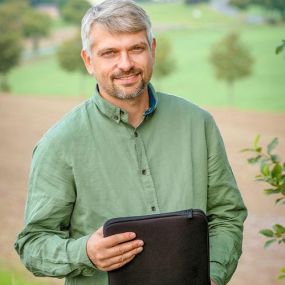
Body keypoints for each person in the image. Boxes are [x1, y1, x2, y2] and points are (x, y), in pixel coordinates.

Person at [15, 1, 247, 285]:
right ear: (89, 61)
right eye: (109, 52)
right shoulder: (59, 143)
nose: (125, 64)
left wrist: (212, 275)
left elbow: (226, 215)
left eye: (136, 49)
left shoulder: (198, 124)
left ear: (153, 50)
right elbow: (32, 244)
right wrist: (85, 253)